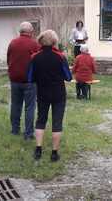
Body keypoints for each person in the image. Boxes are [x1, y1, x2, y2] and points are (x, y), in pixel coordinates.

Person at [28, 30, 72, 162]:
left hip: (42, 93)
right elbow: (69, 77)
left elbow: (30, 78)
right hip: (58, 94)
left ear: (40, 41)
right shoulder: (60, 57)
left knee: (41, 120)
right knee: (57, 122)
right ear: (54, 41)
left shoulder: (35, 57)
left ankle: (38, 150)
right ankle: (54, 153)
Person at [7, 22, 41, 140]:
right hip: (30, 80)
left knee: (15, 105)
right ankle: (28, 133)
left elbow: (8, 59)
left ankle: (15, 130)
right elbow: (38, 62)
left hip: (15, 79)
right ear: (31, 31)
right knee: (30, 107)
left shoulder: (13, 43)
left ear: (20, 31)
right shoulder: (34, 44)